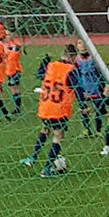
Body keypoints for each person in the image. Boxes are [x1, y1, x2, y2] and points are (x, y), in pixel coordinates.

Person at [22, 44, 82, 178]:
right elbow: (77, 88)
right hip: (59, 108)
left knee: (45, 130)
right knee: (58, 136)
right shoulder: (70, 70)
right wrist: (84, 106)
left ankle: (33, 158)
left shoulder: (52, 65)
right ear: (73, 56)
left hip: (45, 106)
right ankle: (47, 169)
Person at [73, 45, 106, 138]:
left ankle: (98, 130)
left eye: (83, 43)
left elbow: (101, 72)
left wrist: (103, 86)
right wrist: (79, 88)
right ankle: (86, 129)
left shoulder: (94, 58)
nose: (82, 45)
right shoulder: (76, 60)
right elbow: (76, 74)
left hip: (95, 87)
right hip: (83, 87)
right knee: (84, 109)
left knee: (98, 109)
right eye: (79, 43)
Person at [5, 35, 24, 114]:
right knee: (13, 89)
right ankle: (17, 107)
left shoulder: (14, 47)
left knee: (15, 89)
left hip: (14, 70)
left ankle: (17, 108)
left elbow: (11, 57)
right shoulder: (7, 46)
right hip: (9, 70)